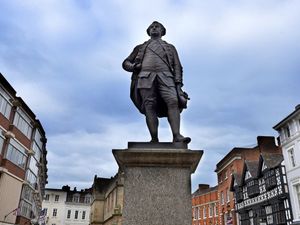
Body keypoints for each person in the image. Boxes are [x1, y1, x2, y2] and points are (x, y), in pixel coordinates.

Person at [122, 21, 190, 143]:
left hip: (166, 77)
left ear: (162, 31)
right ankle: (154, 138)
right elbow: (126, 63)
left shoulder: (170, 47)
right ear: (148, 31)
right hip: (145, 77)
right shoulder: (140, 47)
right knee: (149, 106)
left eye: (157, 27)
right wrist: (133, 67)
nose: (154, 28)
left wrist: (178, 86)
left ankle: (177, 136)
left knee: (173, 101)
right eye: (151, 27)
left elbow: (177, 66)